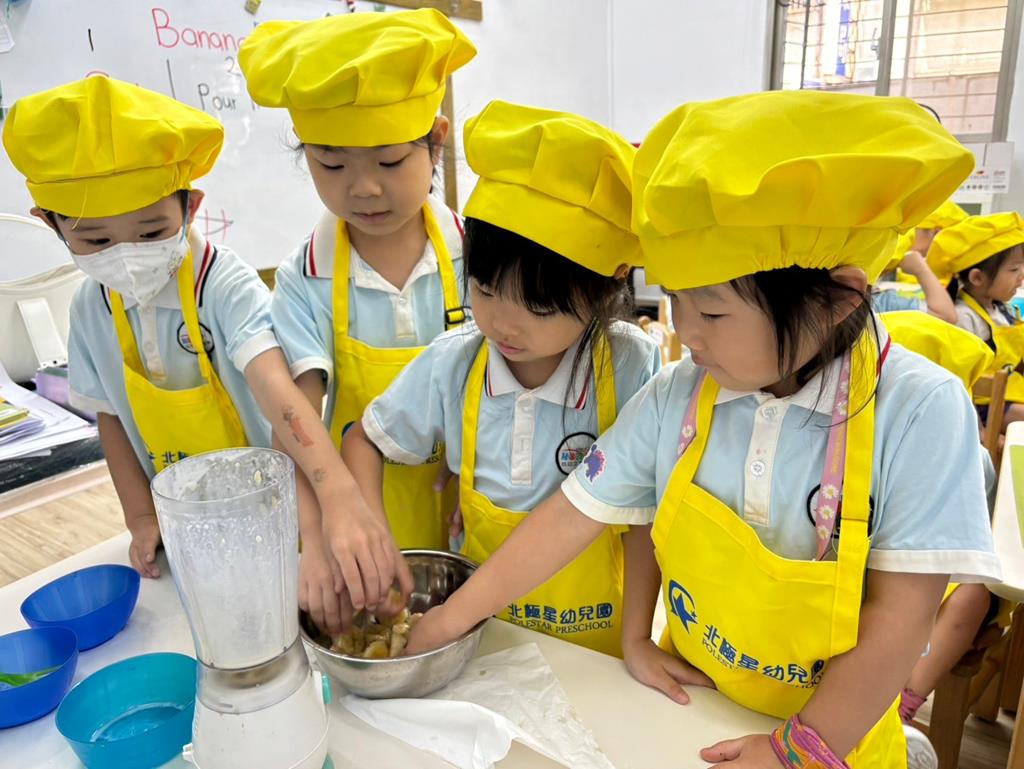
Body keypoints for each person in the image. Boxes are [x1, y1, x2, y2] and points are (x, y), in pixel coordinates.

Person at [406, 91, 1001, 769]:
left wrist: (799, 749)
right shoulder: (679, 395)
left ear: (837, 301)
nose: (685, 333)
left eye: (712, 313)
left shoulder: (921, 411)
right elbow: (569, 516)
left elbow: (903, 615)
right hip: (692, 714)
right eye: (675, 300)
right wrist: (450, 621)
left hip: (835, 741)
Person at [1, 77, 405, 617]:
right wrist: (141, 517)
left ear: (190, 206)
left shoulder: (222, 285)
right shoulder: (90, 308)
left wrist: (334, 498)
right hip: (190, 531)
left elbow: (276, 390)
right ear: (49, 223)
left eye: (151, 233)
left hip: (278, 516)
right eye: (96, 240)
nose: (126, 255)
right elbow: (111, 419)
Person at [341, 101, 660, 656]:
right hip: (481, 634)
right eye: (485, 290)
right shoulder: (456, 363)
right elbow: (363, 440)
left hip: (594, 643)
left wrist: (637, 637)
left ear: (607, 286)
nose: (503, 325)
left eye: (539, 307)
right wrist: (375, 537)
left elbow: (643, 519)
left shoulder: (629, 365)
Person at [239, 10, 476, 624]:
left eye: (389, 162)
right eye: (332, 164)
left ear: (437, 140)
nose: (363, 188)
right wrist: (315, 538)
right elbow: (295, 419)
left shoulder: (479, 258)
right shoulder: (306, 278)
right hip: (354, 525)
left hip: (471, 512)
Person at [931, 212, 1024, 425]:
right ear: (977, 277)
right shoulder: (965, 318)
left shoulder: (1004, 310)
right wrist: (979, 430)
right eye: (1014, 269)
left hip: (1012, 390)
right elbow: (959, 381)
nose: (1021, 277)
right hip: (985, 405)